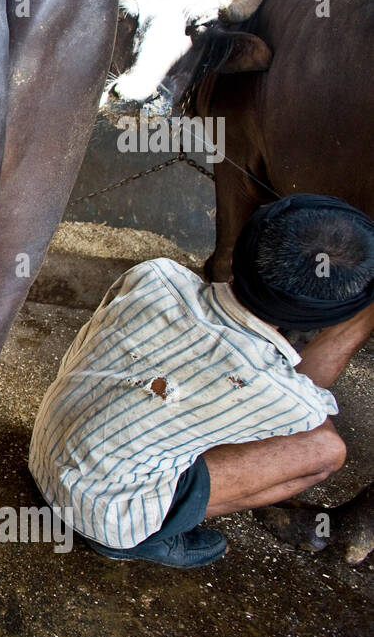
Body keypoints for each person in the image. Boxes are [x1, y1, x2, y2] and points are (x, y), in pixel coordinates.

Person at [29, 194, 374, 568]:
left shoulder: (155, 274)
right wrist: (358, 322)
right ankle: (142, 537)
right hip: (101, 517)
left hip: (44, 454)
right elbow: (308, 410)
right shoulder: (279, 393)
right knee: (326, 452)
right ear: (330, 315)